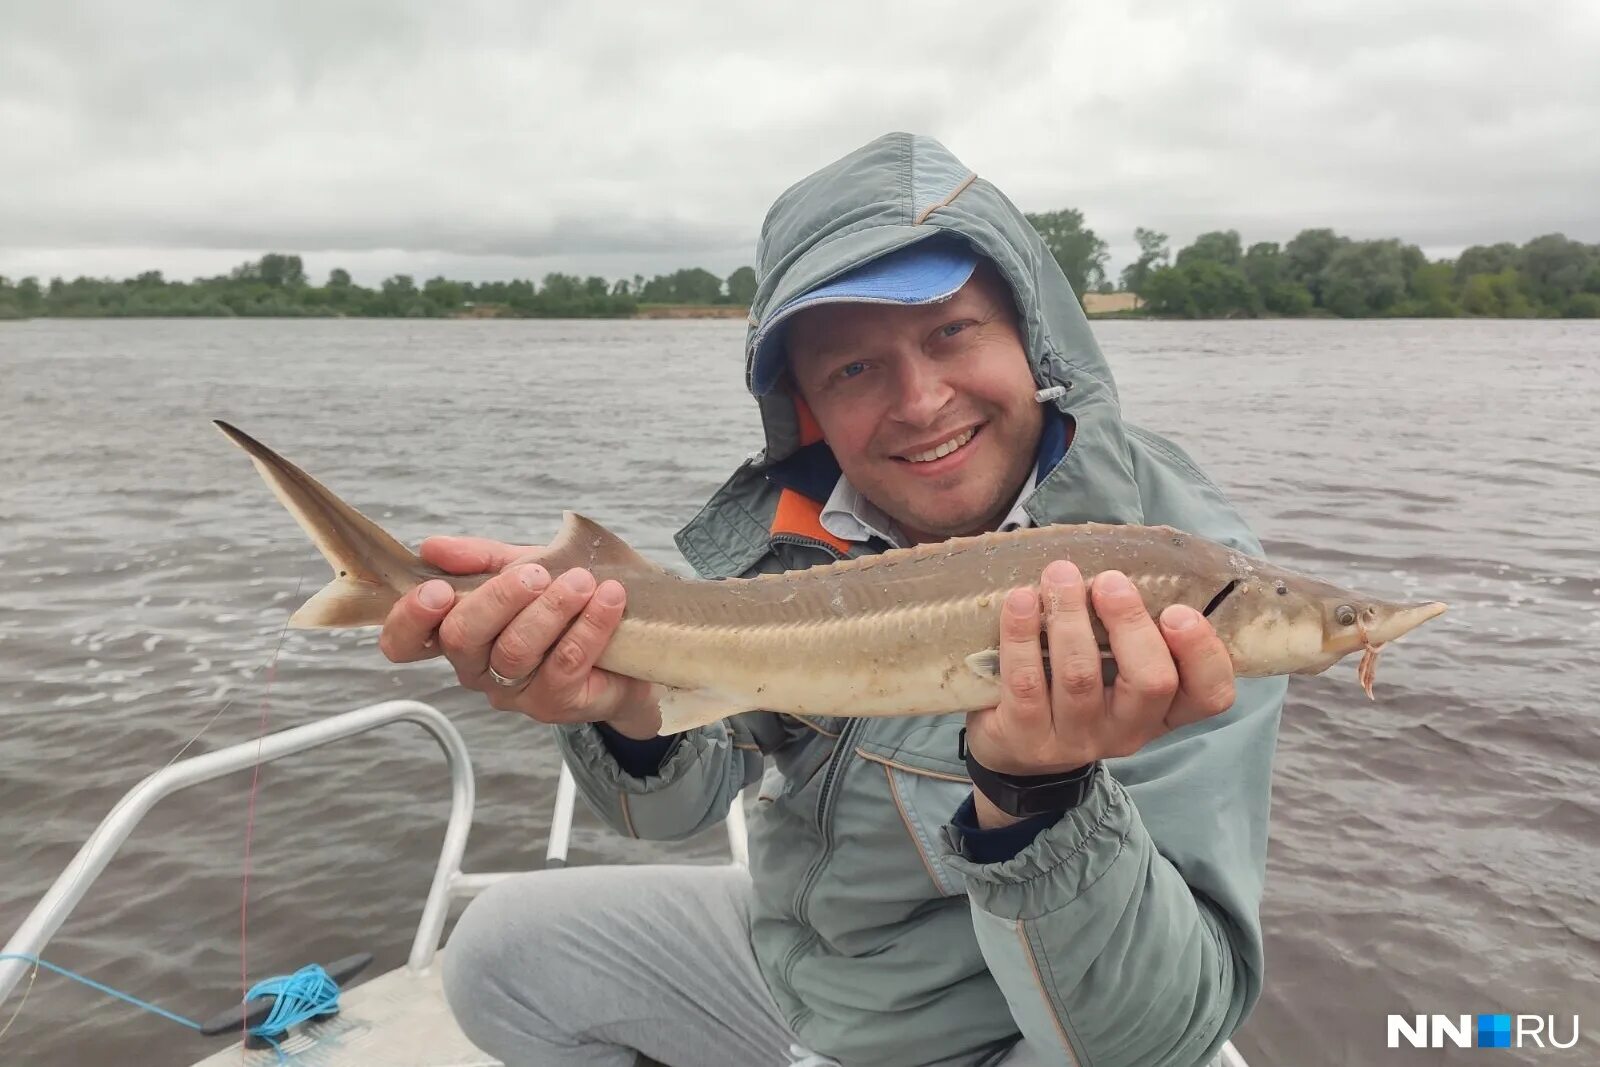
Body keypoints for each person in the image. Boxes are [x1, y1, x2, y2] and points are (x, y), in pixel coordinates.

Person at [379, 132, 1287, 1067]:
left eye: (951, 331)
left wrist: (1036, 796)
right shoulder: (801, 527)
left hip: (1029, 1030)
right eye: (853, 368)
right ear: (807, 401)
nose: (922, 401)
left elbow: (1162, 1033)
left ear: (1031, 331)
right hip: (819, 987)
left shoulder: (1186, 582)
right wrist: (619, 704)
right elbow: (681, 807)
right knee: (501, 953)